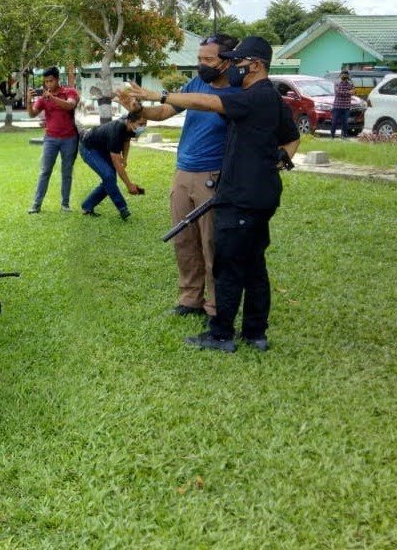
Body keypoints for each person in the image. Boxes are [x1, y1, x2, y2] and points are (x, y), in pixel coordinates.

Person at [126, 36, 300, 352]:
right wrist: (278, 162)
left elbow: (210, 103)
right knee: (251, 265)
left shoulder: (250, 96)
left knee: (225, 260)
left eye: (238, 61)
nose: (234, 66)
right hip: (254, 191)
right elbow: (290, 137)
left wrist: (160, 93)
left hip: (237, 192)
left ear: (253, 65)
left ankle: (220, 331)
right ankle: (254, 333)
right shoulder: (266, 97)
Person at [118, 34, 241, 319]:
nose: (202, 64)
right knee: (184, 239)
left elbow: (205, 103)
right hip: (183, 171)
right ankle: (190, 299)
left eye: (208, 59)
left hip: (214, 174)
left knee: (212, 243)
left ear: (228, 61)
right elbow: (164, 111)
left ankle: (216, 305)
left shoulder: (237, 91)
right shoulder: (196, 83)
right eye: (199, 59)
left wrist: (158, 95)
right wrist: (139, 109)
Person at [26, 67, 80, 213]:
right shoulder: (44, 98)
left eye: (51, 81)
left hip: (70, 138)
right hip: (50, 139)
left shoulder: (69, 92)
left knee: (66, 172)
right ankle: (36, 205)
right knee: (45, 172)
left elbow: (70, 105)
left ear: (57, 79)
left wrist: (53, 98)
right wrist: (29, 101)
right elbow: (32, 114)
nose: (48, 84)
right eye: (46, 82)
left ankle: (65, 204)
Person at [78, 111, 147, 220]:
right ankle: (123, 208)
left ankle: (87, 206)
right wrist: (129, 185)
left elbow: (126, 140)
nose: (143, 127)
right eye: (140, 124)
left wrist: (125, 158)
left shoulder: (130, 128)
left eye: (145, 124)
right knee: (109, 176)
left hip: (103, 148)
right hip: (88, 148)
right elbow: (116, 162)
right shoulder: (116, 130)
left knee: (109, 180)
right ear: (130, 121)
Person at [331, 69, 355, 138]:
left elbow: (353, 92)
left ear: (348, 75)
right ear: (341, 75)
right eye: (343, 74)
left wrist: (344, 92)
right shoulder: (337, 83)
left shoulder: (350, 84)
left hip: (346, 107)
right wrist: (348, 92)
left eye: (346, 74)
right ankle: (332, 136)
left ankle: (344, 136)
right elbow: (337, 92)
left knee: (345, 122)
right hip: (337, 106)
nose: (344, 76)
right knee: (334, 122)